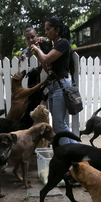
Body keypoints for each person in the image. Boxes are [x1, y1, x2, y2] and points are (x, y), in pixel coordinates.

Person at [30, 16, 78, 145]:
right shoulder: (54, 46)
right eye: (45, 30)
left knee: (59, 125)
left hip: (60, 87)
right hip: (53, 87)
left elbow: (46, 59)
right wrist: (38, 49)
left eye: (48, 29)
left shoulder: (63, 43)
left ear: (57, 30)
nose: (45, 33)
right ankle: (75, 150)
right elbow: (47, 67)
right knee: (59, 125)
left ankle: (71, 152)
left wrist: (38, 49)